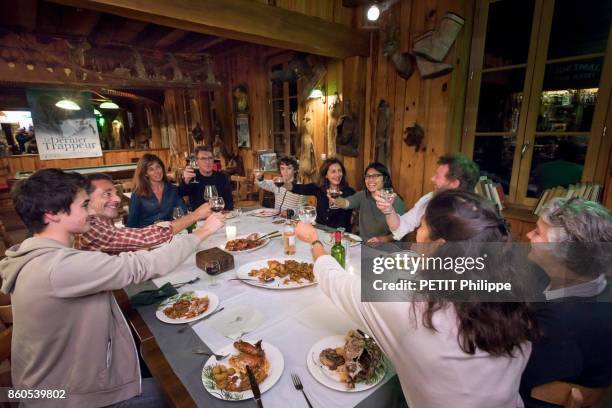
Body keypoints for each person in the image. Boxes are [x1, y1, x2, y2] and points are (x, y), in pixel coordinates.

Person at [0, 168, 224, 407]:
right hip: (65, 398)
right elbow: (144, 265)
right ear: (52, 213)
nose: (91, 213)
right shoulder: (57, 268)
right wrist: (204, 230)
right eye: (84, 205)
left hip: (47, 387)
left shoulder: (38, 254)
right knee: (189, 389)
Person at [296, 189, 537, 407]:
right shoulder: (513, 301)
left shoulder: (410, 310)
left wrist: (315, 242)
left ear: (439, 245)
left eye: (421, 226)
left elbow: (338, 283)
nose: (416, 232)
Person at [520, 198, 612, 408]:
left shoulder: (563, 325)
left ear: (564, 254)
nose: (528, 235)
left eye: (537, 232)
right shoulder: (552, 274)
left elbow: (516, 373)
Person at [75, 173, 211, 254]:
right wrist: (197, 215)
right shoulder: (91, 228)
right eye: (107, 194)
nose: (117, 199)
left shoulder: (99, 222)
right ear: (85, 198)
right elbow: (143, 237)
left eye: (115, 193)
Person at [375, 153, 479, 240]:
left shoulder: (475, 215)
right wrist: (388, 210)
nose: (432, 179)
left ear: (454, 183)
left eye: (437, 176)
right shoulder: (430, 198)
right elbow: (402, 226)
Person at [330, 162, 406, 243]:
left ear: (385, 178)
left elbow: (402, 230)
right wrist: (336, 198)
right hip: (365, 245)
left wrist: (382, 239)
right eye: (367, 176)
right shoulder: (362, 195)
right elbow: (346, 203)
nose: (370, 180)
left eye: (375, 176)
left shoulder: (396, 200)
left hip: (388, 249)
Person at [287, 157, 355, 231]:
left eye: (339, 171)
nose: (338, 175)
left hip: (340, 235)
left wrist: (354, 215)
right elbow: (299, 188)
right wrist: (283, 183)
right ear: (326, 175)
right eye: (333, 172)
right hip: (320, 232)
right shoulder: (319, 188)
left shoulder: (349, 192)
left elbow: (359, 207)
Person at [127, 154, 188, 228]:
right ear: (146, 173)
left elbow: (182, 212)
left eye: (158, 167)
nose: (157, 172)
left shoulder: (173, 189)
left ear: (162, 167)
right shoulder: (137, 194)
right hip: (147, 235)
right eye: (151, 169)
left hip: (169, 233)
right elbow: (132, 224)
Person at [178, 146, 234, 211]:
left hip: (219, 215)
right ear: (197, 161)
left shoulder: (222, 177)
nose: (207, 162)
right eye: (203, 158)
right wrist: (186, 181)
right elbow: (181, 193)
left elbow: (229, 203)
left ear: (213, 160)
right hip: (199, 218)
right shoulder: (192, 177)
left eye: (210, 158)